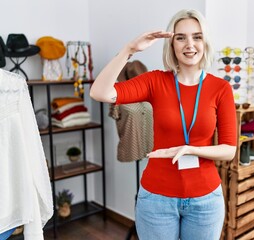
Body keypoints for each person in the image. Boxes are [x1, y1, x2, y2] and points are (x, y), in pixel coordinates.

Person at [90, 9, 237, 240]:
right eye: (181, 37)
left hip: (205, 201)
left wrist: (190, 149)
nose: (190, 44)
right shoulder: (155, 81)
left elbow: (229, 149)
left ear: (204, 41)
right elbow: (99, 92)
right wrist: (129, 50)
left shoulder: (221, 89)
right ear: (172, 44)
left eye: (197, 36)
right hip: (157, 199)